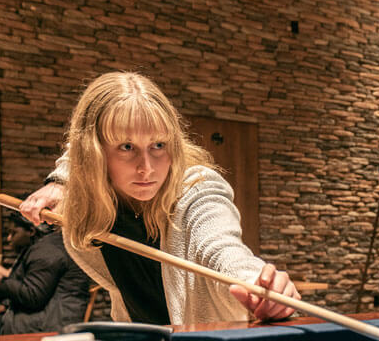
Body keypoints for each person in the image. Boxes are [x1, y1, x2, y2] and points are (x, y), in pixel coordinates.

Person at [18, 72, 298, 325]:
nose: (147, 167)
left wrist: (255, 281)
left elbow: (219, 246)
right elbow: (75, 151)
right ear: (95, 153)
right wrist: (60, 181)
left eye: (158, 145)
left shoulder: (197, 189)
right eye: (127, 147)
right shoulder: (89, 198)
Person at [0, 214, 92, 341]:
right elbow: (36, 288)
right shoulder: (49, 245)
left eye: (13, 232)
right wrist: (7, 306)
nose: (9, 238)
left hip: (49, 326)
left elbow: (32, 296)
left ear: (31, 231)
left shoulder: (48, 250)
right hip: (54, 318)